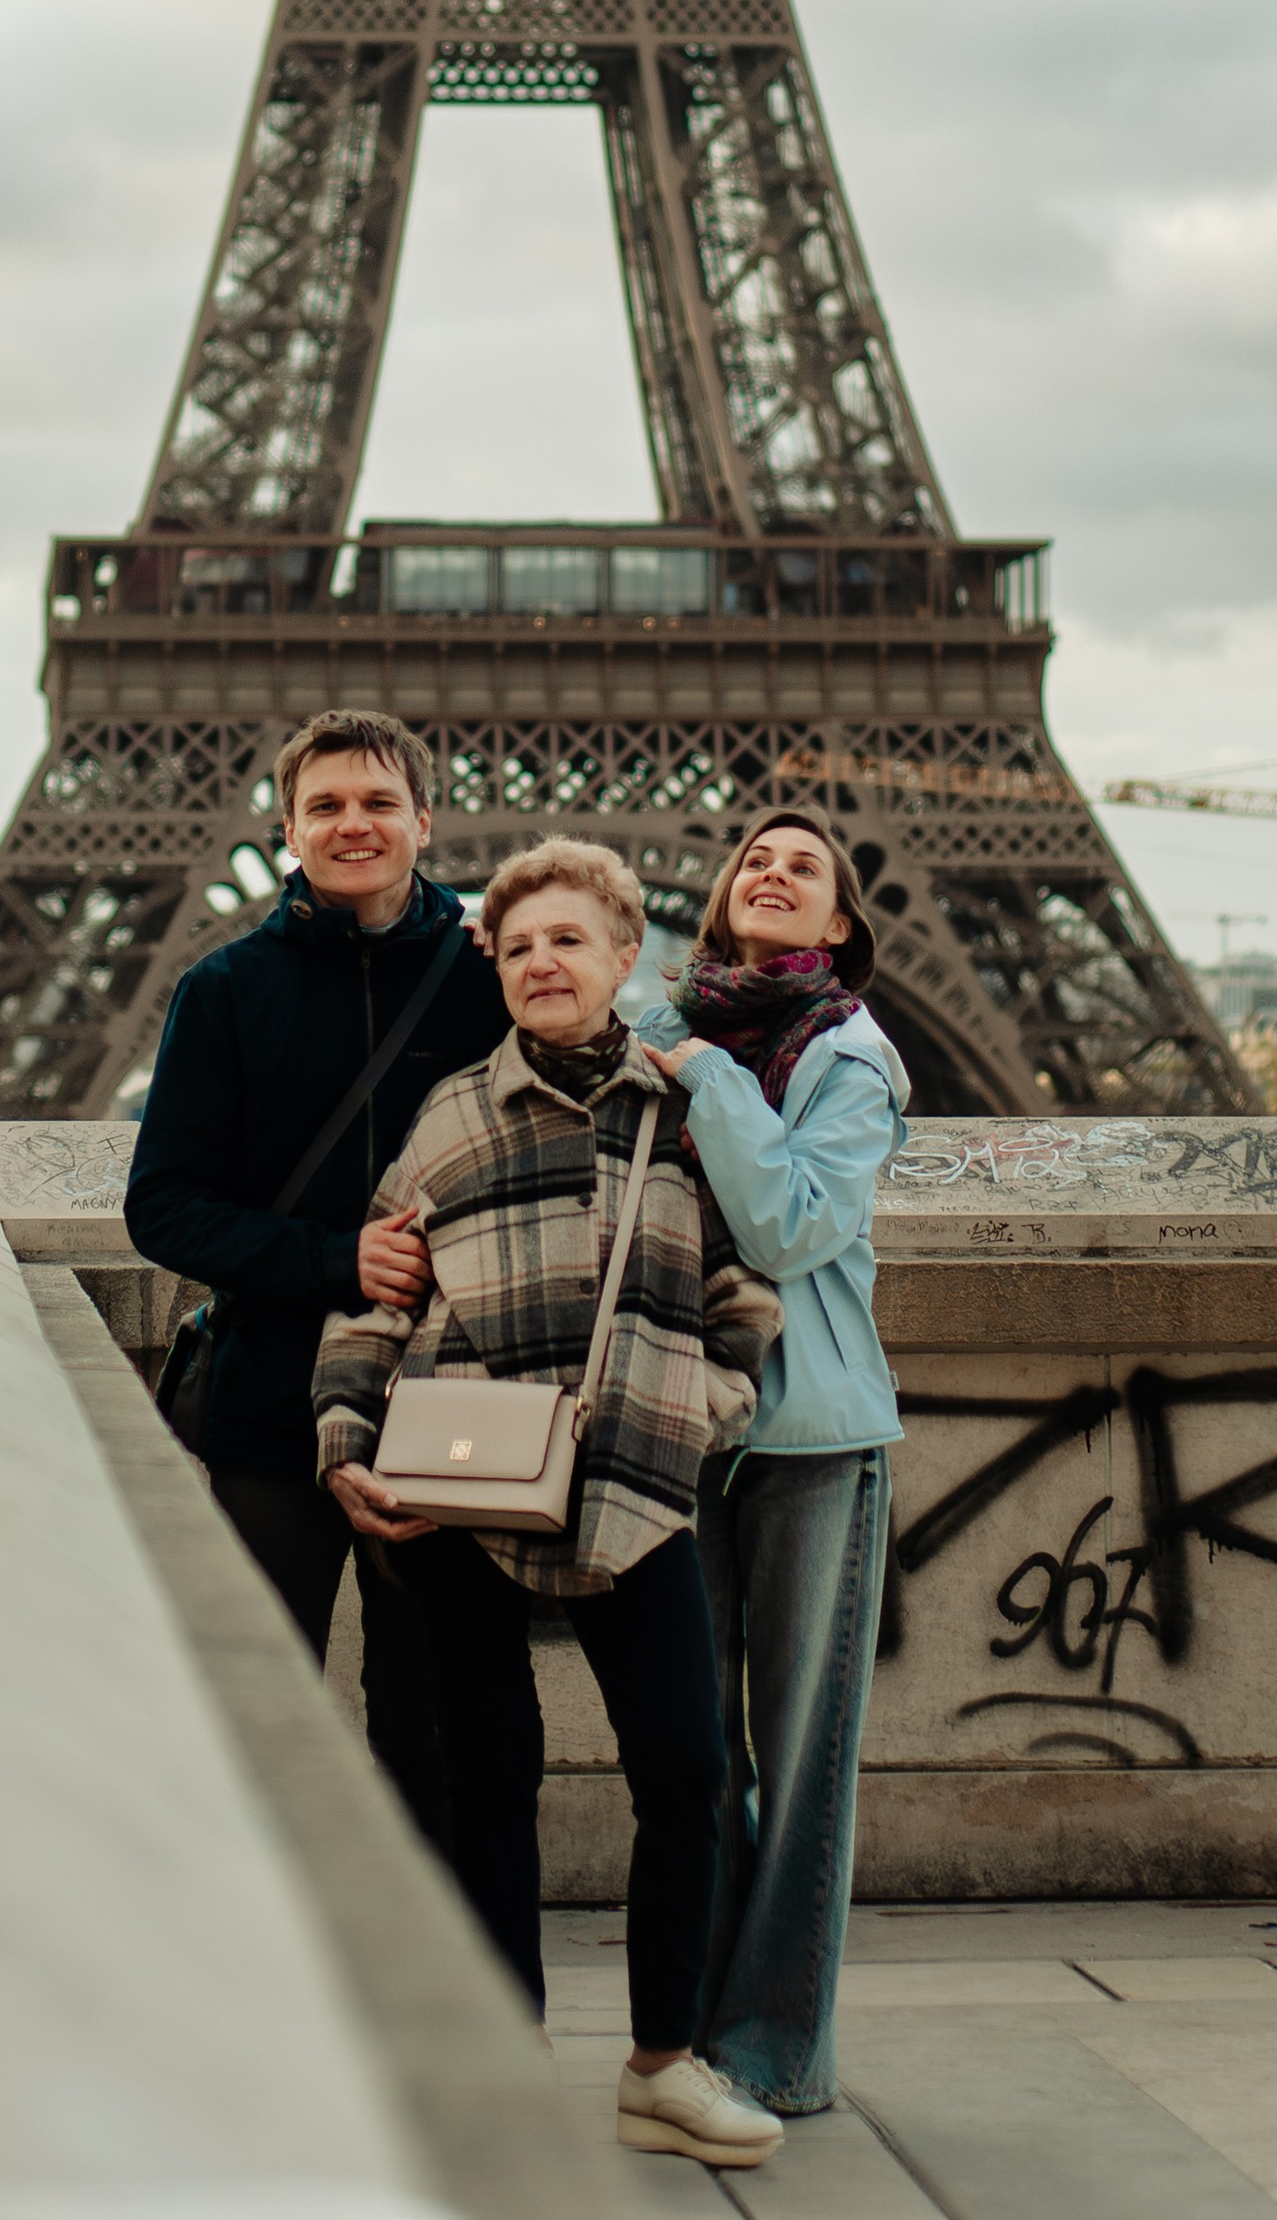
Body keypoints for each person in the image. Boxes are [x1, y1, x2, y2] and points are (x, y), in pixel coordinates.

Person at [317, 837, 786, 2174]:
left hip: (635, 1484)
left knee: (688, 1770)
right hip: (468, 1491)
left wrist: (705, 1409)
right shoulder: (455, 1115)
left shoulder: (686, 1109)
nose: (542, 962)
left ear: (624, 958)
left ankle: (661, 2062)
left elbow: (745, 1297)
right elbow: (378, 1295)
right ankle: (501, 2051)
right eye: (519, 946)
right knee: (486, 1781)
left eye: (568, 941)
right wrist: (346, 1437)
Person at [125, 709, 508, 1853]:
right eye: (328, 806)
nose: (355, 825)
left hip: (447, 1414)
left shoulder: (491, 976)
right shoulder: (225, 991)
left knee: (434, 1732)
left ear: (424, 821)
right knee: (260, 1725)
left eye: (379, 803)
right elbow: (163, 1206)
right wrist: (336, 1258)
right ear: (287, 829)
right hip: (271, 1412)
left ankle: (450, 1997)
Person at [627, 808, 909, 2119]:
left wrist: (704, 1074)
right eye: (757, 858)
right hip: (685, 1422)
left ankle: (776, 2050)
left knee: (799, 1766)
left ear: (838, 925)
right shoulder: (663, 1019)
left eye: (807, 865)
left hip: (808, 1437)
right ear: (724, 900)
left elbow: (794, 1224)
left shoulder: (850, 1056)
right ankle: (696, 2034)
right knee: (699, 1757)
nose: (776, 871)